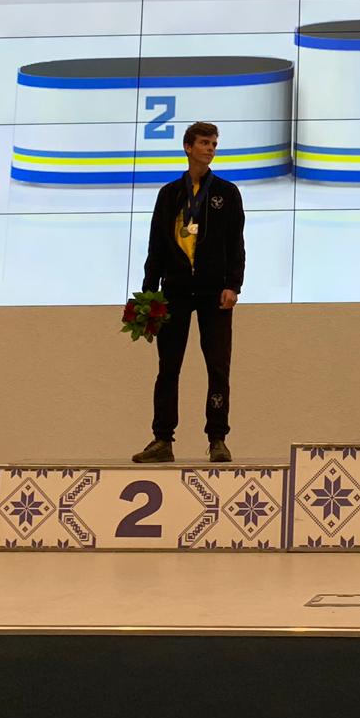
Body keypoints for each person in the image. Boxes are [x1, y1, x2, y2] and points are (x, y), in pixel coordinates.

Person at [132, 121, 245, 464]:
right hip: (176, 292)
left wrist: (233, 285)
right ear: (188, 147)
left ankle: (218, 439)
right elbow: (156, 246)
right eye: (204, 143)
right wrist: (149, 294)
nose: (210, 149)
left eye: (214, 144)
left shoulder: (226, 192)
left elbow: (236, 244)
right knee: (168, 367)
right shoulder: (169, 194)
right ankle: (162, 440)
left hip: (214, 294)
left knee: (218, 367)